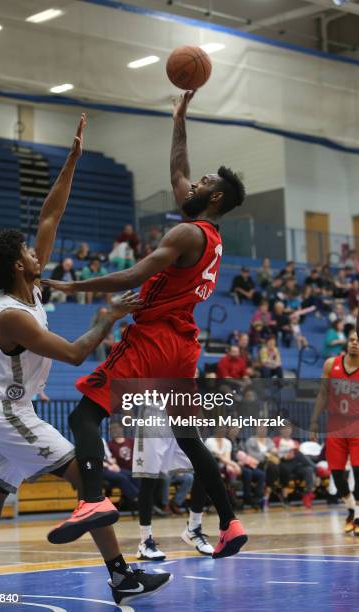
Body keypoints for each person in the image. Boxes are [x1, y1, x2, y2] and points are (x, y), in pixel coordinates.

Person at [0, 115, 171, 606]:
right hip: (9, 413)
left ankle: (120, 573)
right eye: (29, 251)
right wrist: (108, 316)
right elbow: (75, 354)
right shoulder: (12, 316)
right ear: (17, 265)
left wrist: (70, 160)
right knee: (86, 478)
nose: (37, 251)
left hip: (4, 411)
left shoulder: (29, 287)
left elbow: (49, 216)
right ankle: (121, 576)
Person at [43, 90, 248, 559]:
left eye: (204, 181)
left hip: (154, 338)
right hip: (184, 345)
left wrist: (72, 287)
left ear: (214, 196)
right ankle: (230, 522)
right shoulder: (207, 234)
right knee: (188, 436)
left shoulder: (185, 233)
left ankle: (91, 500)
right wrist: (179, 118)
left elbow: (136, 275)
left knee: (84, 414)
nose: (192, 181)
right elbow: (178, 170)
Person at [132, 399, 213, 561]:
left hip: (182, 409)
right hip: (155, 409)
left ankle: (193, 528)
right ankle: (145, 542)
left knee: (204, 467)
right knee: (148, 478)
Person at [310, 329, 359, 535]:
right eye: (351, 339)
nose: (354, 343)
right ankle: (352, 509)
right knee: (337, 475)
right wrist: (314, 421)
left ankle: (358, 517)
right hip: (335, 425)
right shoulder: (331, 364)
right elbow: (323, 393)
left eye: (358, 341)